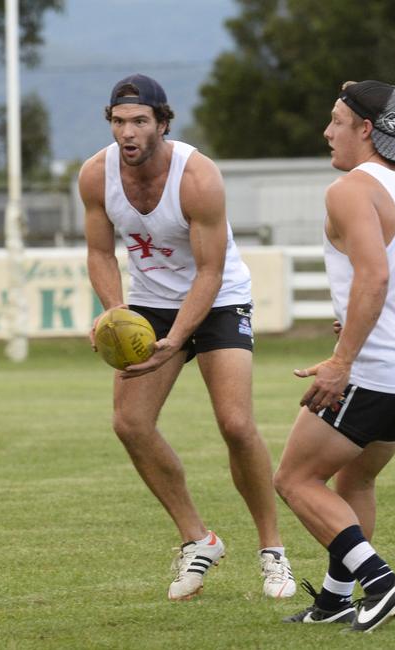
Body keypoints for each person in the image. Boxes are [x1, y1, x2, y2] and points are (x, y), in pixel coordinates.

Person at [79, 73, 295, 601]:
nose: (127, 132)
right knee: (130, 423)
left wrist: (177, 339)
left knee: (237, 424)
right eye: (118, 121)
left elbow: (209, 273)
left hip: (218, 299)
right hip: (148, 303)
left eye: (139, 121)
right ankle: (198, 539)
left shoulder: (197, 176)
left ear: (163, 124)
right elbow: (101, 253)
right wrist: (114, 314)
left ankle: (273, 551)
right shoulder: (94, 176)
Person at [275, 80, 395, 633]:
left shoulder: (349, 190)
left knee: (295, 480)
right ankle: (337, 599)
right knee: (356, 483)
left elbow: (376, 275)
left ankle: (382, 582)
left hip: (374, 371)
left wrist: (342, 361)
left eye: (336, 121)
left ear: (366, 130)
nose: (327, 132)